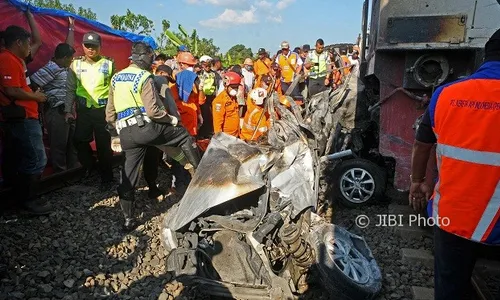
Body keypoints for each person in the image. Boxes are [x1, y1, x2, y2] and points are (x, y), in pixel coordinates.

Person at [410, 28, 500, 300]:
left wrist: (418, 182)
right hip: (495, 223)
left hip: (453, 217)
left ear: (484, 57)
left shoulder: (446, 94)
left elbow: (421, 144)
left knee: (449, 288)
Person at [105, 42, 201, 231]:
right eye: (151, 57)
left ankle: (128, 220)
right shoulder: (144, 77)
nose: (153, 61)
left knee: (129, 176)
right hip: (145, 128)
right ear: (144, 57)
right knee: (182, 136)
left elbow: (110, 112)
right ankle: (201, 174)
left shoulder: (116, 77)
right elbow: (154, 112)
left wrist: (113, 134)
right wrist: (171, 120)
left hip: (126, 134)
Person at [0, 26, 49, 214]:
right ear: (18, 42)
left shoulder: (16, 60)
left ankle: (19, 197)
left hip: (25, 116)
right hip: (22, 118)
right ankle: (27, 201)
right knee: (37, 159)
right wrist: (36, 97)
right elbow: (11, 90)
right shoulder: (7, 59)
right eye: (27, 43)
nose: (30, 46)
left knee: (17, 158)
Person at [65, 32, 115, 188]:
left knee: (104, 146)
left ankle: (106, 178)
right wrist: (68, 110)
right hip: (84, 110)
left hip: (103, 111)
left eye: (94, 46)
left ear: (100, 47)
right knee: (79, 140)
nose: (91, 49)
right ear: (82, 46)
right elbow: (70, 89)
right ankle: (91, 166)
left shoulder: (109, 64)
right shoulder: (75, 65)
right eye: (88, 46)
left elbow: (114, 89)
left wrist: (114, 112)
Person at [30, 43, 78, 173]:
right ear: (62, 57)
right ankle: (61, 174)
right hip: (57, 110)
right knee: (59, 145)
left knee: (72, 143)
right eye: (69, 58)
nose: (71, 60)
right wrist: (40, 96)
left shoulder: (66, 68)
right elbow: (33, 81)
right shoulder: (52, 67)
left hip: (69, 110)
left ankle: (73, 172)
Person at [172, 52, 203, 137]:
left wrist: (199, 114)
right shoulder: (175, 81)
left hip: (187, 116)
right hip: (187, 116)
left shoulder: (189, 79)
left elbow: (196, 100)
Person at [198, 55, 222, 138]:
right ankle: (202, 134)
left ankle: (210, 132)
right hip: (202, 97)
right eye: (205, 65)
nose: (207, 67)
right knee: (203, 115)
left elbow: (219, 85)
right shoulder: (198, 74)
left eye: (209, 65)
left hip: (212, 97)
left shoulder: (214, 74)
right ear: (202, 65)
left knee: (212, 115)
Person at [212, 71, 241, 137]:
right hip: (227, 137)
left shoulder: (233, 98)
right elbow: (217, 122)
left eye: (237, 87)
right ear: (226, 86)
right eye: (233, 87)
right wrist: (219, 138)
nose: (235, 89)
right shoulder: (219, 101)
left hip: (235, 134)